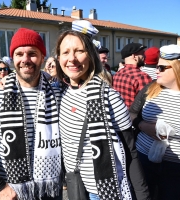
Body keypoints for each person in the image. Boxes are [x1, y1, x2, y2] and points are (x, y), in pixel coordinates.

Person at [55, 19, 149, 200]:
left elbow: (131, 152)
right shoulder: (62, 93)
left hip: (105, 192)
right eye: (65, 52)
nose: (71, 58)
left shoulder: (110, 96)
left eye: (79, 51)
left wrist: (143, 196)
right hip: (77, 185)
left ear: (90, 55)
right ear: (59, 58)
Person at [0, 28, 62, 200]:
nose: (25, 59)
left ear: (43, 57)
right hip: (11, 191)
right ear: (13, 58)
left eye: (32, 53)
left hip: (50, 188)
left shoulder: (58, 95)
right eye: (19, 53)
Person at [130, 44, 180, 199]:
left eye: (162, 68)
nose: (156, 71)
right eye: (157, 66)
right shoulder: (151, 87)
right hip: (143, 159)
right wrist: (142, 125)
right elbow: (131, 113)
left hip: (175, 167)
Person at [113, 43, 152, 108]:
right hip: (135, 116)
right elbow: (147, 104)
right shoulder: (142, 77)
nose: (144, 56)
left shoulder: (116, 75)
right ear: (134, 56)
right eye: (142, 54)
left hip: (120, 115)